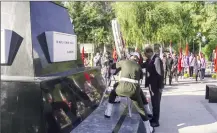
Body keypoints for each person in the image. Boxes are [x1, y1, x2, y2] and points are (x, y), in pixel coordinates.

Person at [104, 55, 155, 133]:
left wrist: (112, 64)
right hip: (133, 91)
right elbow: (140, 78)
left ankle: (108, 112)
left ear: (129, 58)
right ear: (137, 60)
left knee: (113, 93)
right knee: (141, 109)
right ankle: (148, 129)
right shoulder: (139, 66)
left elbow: (113, 66)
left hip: (121, 89)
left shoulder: (123, 62)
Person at [142, 46, 164, 127]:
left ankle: (156, 121)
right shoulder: (150, 59)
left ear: (149, 52)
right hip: (151, 85)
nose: (145, 56)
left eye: (146, 54)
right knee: (154, 103)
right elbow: (143, 65)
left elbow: (160, 74)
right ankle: (154, 119)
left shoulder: (156, 59)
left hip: (156, 86)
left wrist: (161, 87)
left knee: (156, 104)